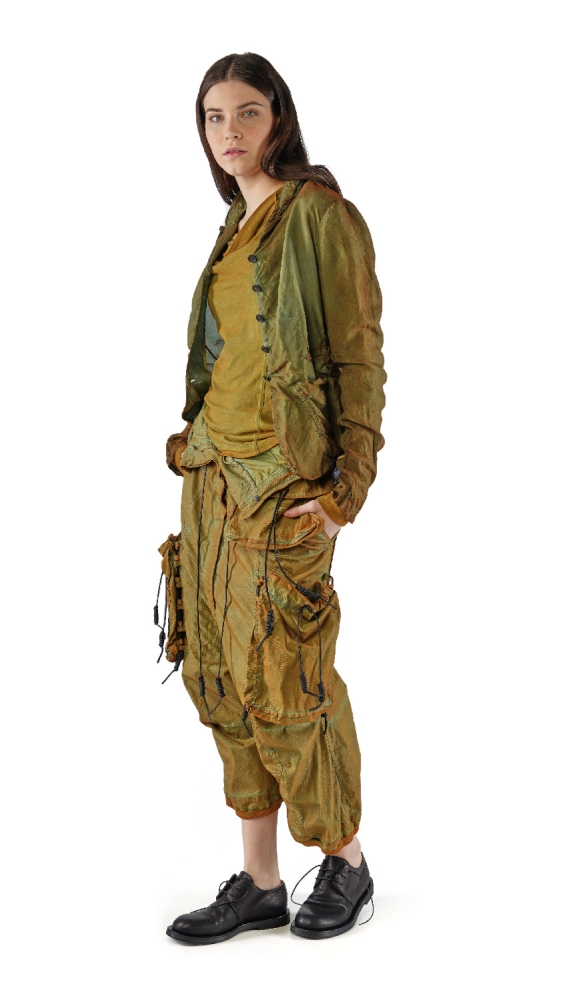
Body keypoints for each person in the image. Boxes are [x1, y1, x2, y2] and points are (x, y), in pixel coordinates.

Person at [162, 52, 387, 945]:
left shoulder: (320, 216)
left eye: (246, 113)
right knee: (219, 676)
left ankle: (346, 862)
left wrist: (347, 488)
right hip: (213, 482)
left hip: (285, 490)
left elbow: (358, 357)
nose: (229, 132)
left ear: (279, 120)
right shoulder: (233, 226)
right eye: (213, 117)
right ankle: (259, 883)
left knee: (287, 677)